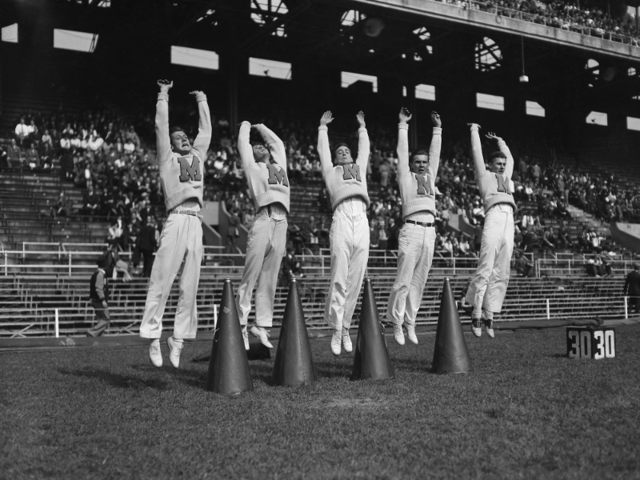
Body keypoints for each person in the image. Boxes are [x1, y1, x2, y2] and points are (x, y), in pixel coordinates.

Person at [139, 79, 211, 369]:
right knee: (162, 277)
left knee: (190, 283)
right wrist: (163, 94)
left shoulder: (198, 156)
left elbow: (205, 130)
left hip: (197, 222)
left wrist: (202, 99)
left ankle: (178, 339)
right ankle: (153, 335)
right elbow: (161, 126)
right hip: (177, 217)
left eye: (185, 135)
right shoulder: (166, 158)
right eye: (177, 135)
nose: (182, 137)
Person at [386, 108, 441, 345]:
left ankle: (410, 323)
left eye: (424, 162)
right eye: (417, 162)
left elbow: (435, 154)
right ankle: (396, 323)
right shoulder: (405, 177)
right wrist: (402, 125)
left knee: (419, 281)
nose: (421, 165)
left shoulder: (430, 176)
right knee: (404, 280)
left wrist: (437, 129)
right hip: (411, 228)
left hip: (430, 230)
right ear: (411, 164)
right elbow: (401, 151)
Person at [318, 110, 370, 355]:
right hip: (340, 217)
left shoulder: (359, 168)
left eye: (345, 150)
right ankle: (336, 328)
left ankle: (346, 326)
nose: (343, 152)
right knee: (339, 275)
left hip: (361, 217)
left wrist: (361, 127)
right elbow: (323, 153)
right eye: (339, 152)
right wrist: (322, 128)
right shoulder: (331, 172)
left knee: (356, 278)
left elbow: (365, 150)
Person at [236, 121, 290, 350]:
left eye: (262, 146)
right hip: (263, 218)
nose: (260, 147)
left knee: (270, 276)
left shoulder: (280, 166)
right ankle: (240, 324)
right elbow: (242, 144)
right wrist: (247, 126)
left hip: (282, 221)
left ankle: (262, 326)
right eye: (256, 147)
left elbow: (277, 144)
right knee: (251, 274)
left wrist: (262, 127)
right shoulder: (252, 167)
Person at [465, 124, 516, 339]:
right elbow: (477, 153)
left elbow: (511, 159)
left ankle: (490, 314)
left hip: (509, 219)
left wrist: (501, 141)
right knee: (486, 265)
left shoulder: (508, 178)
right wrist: (474, 131)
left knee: (502, 269)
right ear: (491, 165)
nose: (503, 166)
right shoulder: (485, 176)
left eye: (503, 163)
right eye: (498, 163)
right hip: (494, 216)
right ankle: (476, 312)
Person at [86, 256, 110, 337]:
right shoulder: (100, 274)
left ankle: (99, 336)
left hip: (95, 299)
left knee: (100, 319)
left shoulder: (96, 273)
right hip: (99, 300)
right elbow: (98, 288)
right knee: (106, 318)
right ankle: (91, 332)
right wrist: (103, 300)